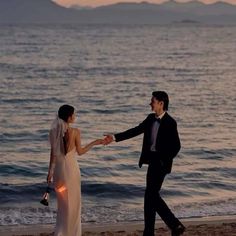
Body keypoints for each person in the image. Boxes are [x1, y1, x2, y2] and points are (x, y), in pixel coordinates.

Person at [104, 91, 185, 236]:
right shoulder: (150, 118)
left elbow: (176, 146)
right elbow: (135, 131)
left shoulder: (170, 122)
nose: (150, 103)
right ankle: (166, 228)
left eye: (153, 101)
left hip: (161, 164)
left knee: (151, 195)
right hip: (151, 161)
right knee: (150, 196)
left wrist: (164, 160)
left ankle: (172, 225)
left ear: (161, 103)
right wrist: (114, 137)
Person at [47, 104, 104, 236]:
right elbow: (80, 152)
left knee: (62, 205)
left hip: (59, 172)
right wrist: (95, 142)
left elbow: (53, 154)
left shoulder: (53, 132)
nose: (75, 116)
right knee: (74, 203)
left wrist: (49, 172)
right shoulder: (75, 132)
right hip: (72, 172)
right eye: (74, 114)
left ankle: (61, 232)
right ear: (69, 117)